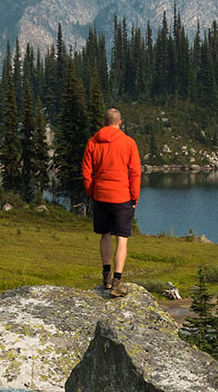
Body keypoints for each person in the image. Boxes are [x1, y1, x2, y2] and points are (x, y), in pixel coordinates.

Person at [80, 107, 141, 297]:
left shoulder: (92, 142)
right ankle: (117, 281)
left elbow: (86, 170)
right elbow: (135, 172)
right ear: (119, 123)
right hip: (122, 197)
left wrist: (92, 191)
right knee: (121, 239)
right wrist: (134, 197)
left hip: (101, 197)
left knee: (104, 235)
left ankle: (106, 277)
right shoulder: (129, 142)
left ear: (105, 122)